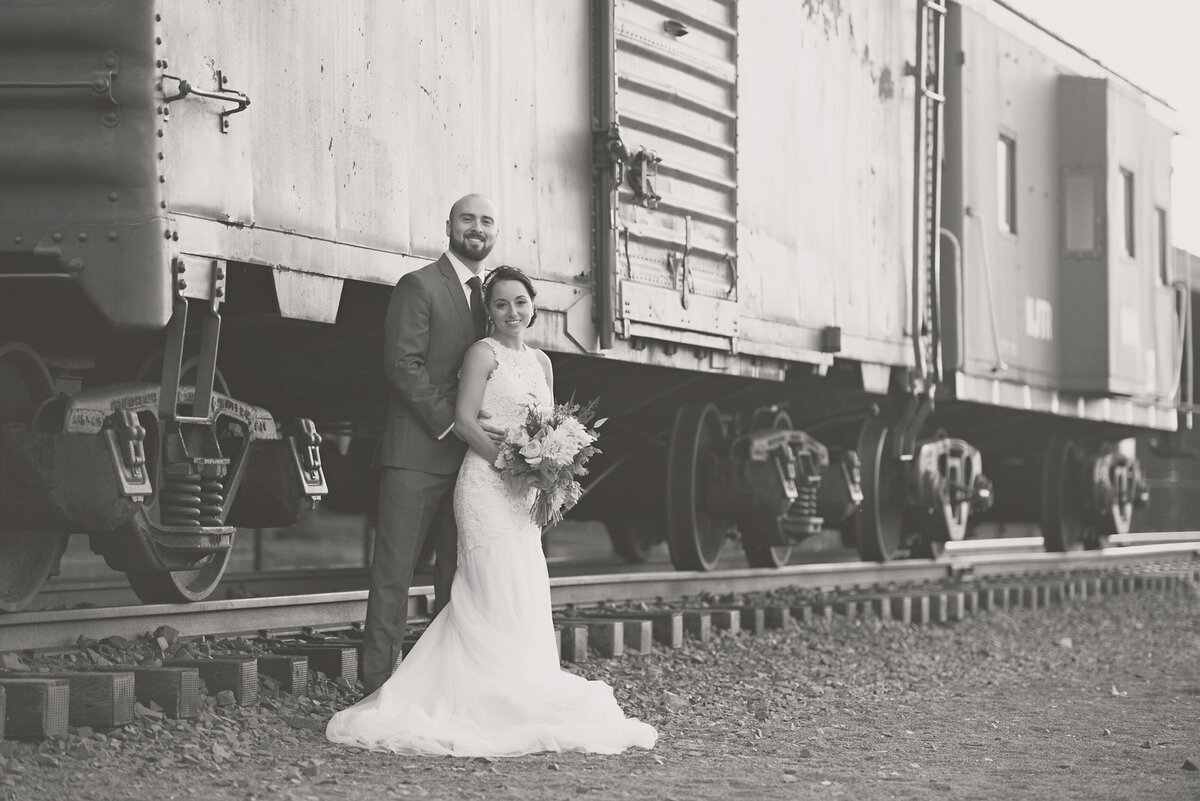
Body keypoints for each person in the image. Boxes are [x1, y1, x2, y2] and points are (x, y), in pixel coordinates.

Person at [328, 266, 657, 756]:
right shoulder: (481, 354)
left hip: (523, 494)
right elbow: (463, 421)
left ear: (533, 304)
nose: (512, 312)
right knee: (487, 584)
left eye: (520, 302)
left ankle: (525, 686)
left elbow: (550, 425)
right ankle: (464, 692)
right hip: (486, 484)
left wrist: (551, 469)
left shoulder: (543, 362)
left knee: (524, 581)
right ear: (489, 310)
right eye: (501, 304)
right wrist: (513, 464)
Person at [360, 193, 502, 696]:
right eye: (467, 219)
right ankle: (377, 687)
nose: (476, 228)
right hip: (417, 452)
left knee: (456, 580)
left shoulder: (496, 299)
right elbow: (403, 363)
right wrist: (455, 424)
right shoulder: (418, 285)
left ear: (495, 233)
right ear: (448, 225)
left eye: (486, 221)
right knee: (394, 575)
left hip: (470, 467)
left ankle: (443, 686)